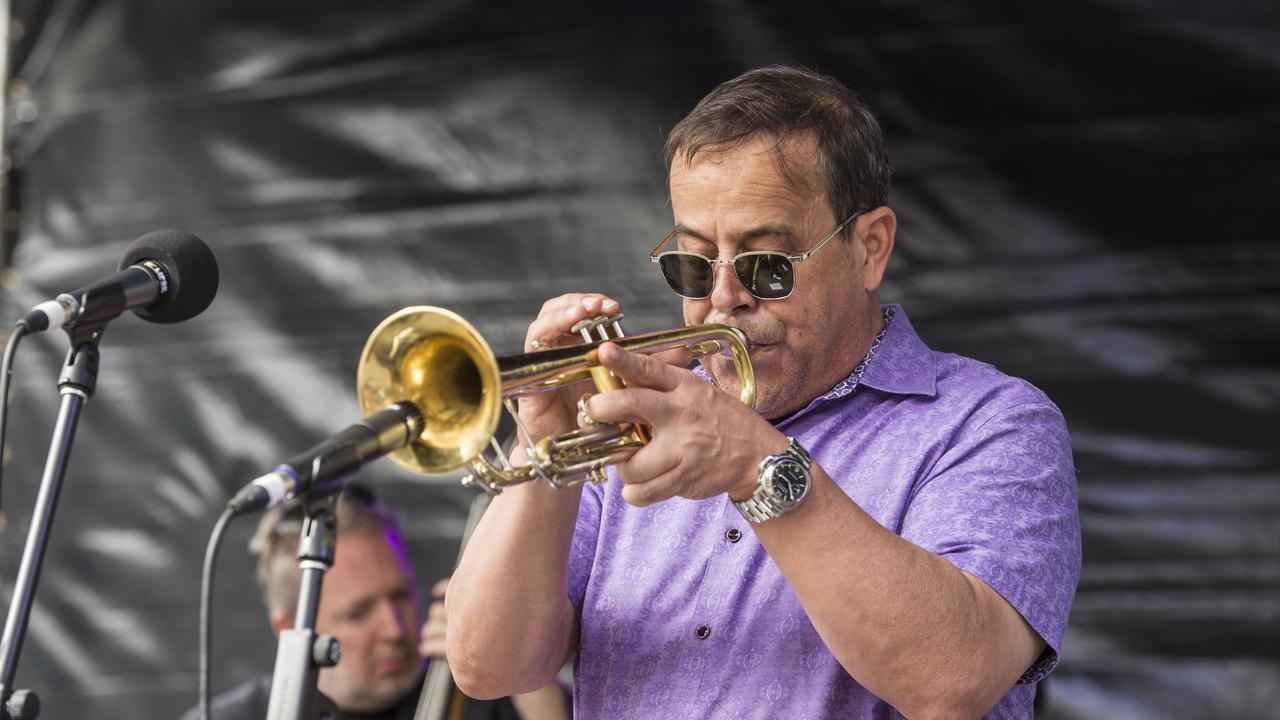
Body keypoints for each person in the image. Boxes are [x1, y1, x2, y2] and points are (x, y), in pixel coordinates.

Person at [445, 65, 1081, 719]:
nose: (722, 299)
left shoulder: (991, 424)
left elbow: (952, 677)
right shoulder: (633, 421)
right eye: (693, 263)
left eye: (766, 265)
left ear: (870, 247)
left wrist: (759, 469)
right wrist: (544, 440)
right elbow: (488, 665)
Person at [182, 485, 568, 720]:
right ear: (289, 631)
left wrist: (514, 661)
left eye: (400, 595)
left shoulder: (497, 700)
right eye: (358, 612)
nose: (396, 629)